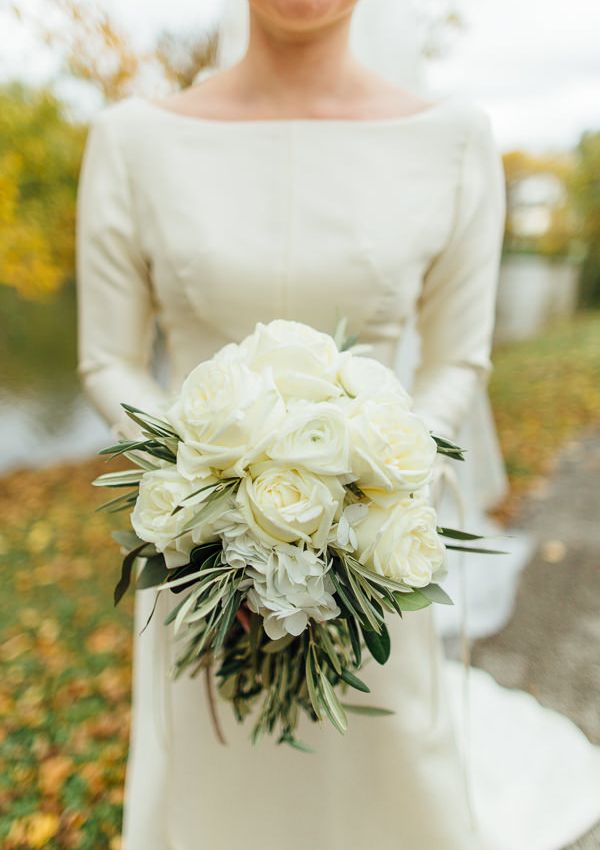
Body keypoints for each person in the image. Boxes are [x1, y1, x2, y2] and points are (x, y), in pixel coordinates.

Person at [76, 2, 600, 848]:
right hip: (200, 564)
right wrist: (212, 501)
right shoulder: (134, 140)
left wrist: (359, 504)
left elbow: (456, 363)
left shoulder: (455, 139)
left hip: (375, 552)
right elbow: (109, 359)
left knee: (387, 784)